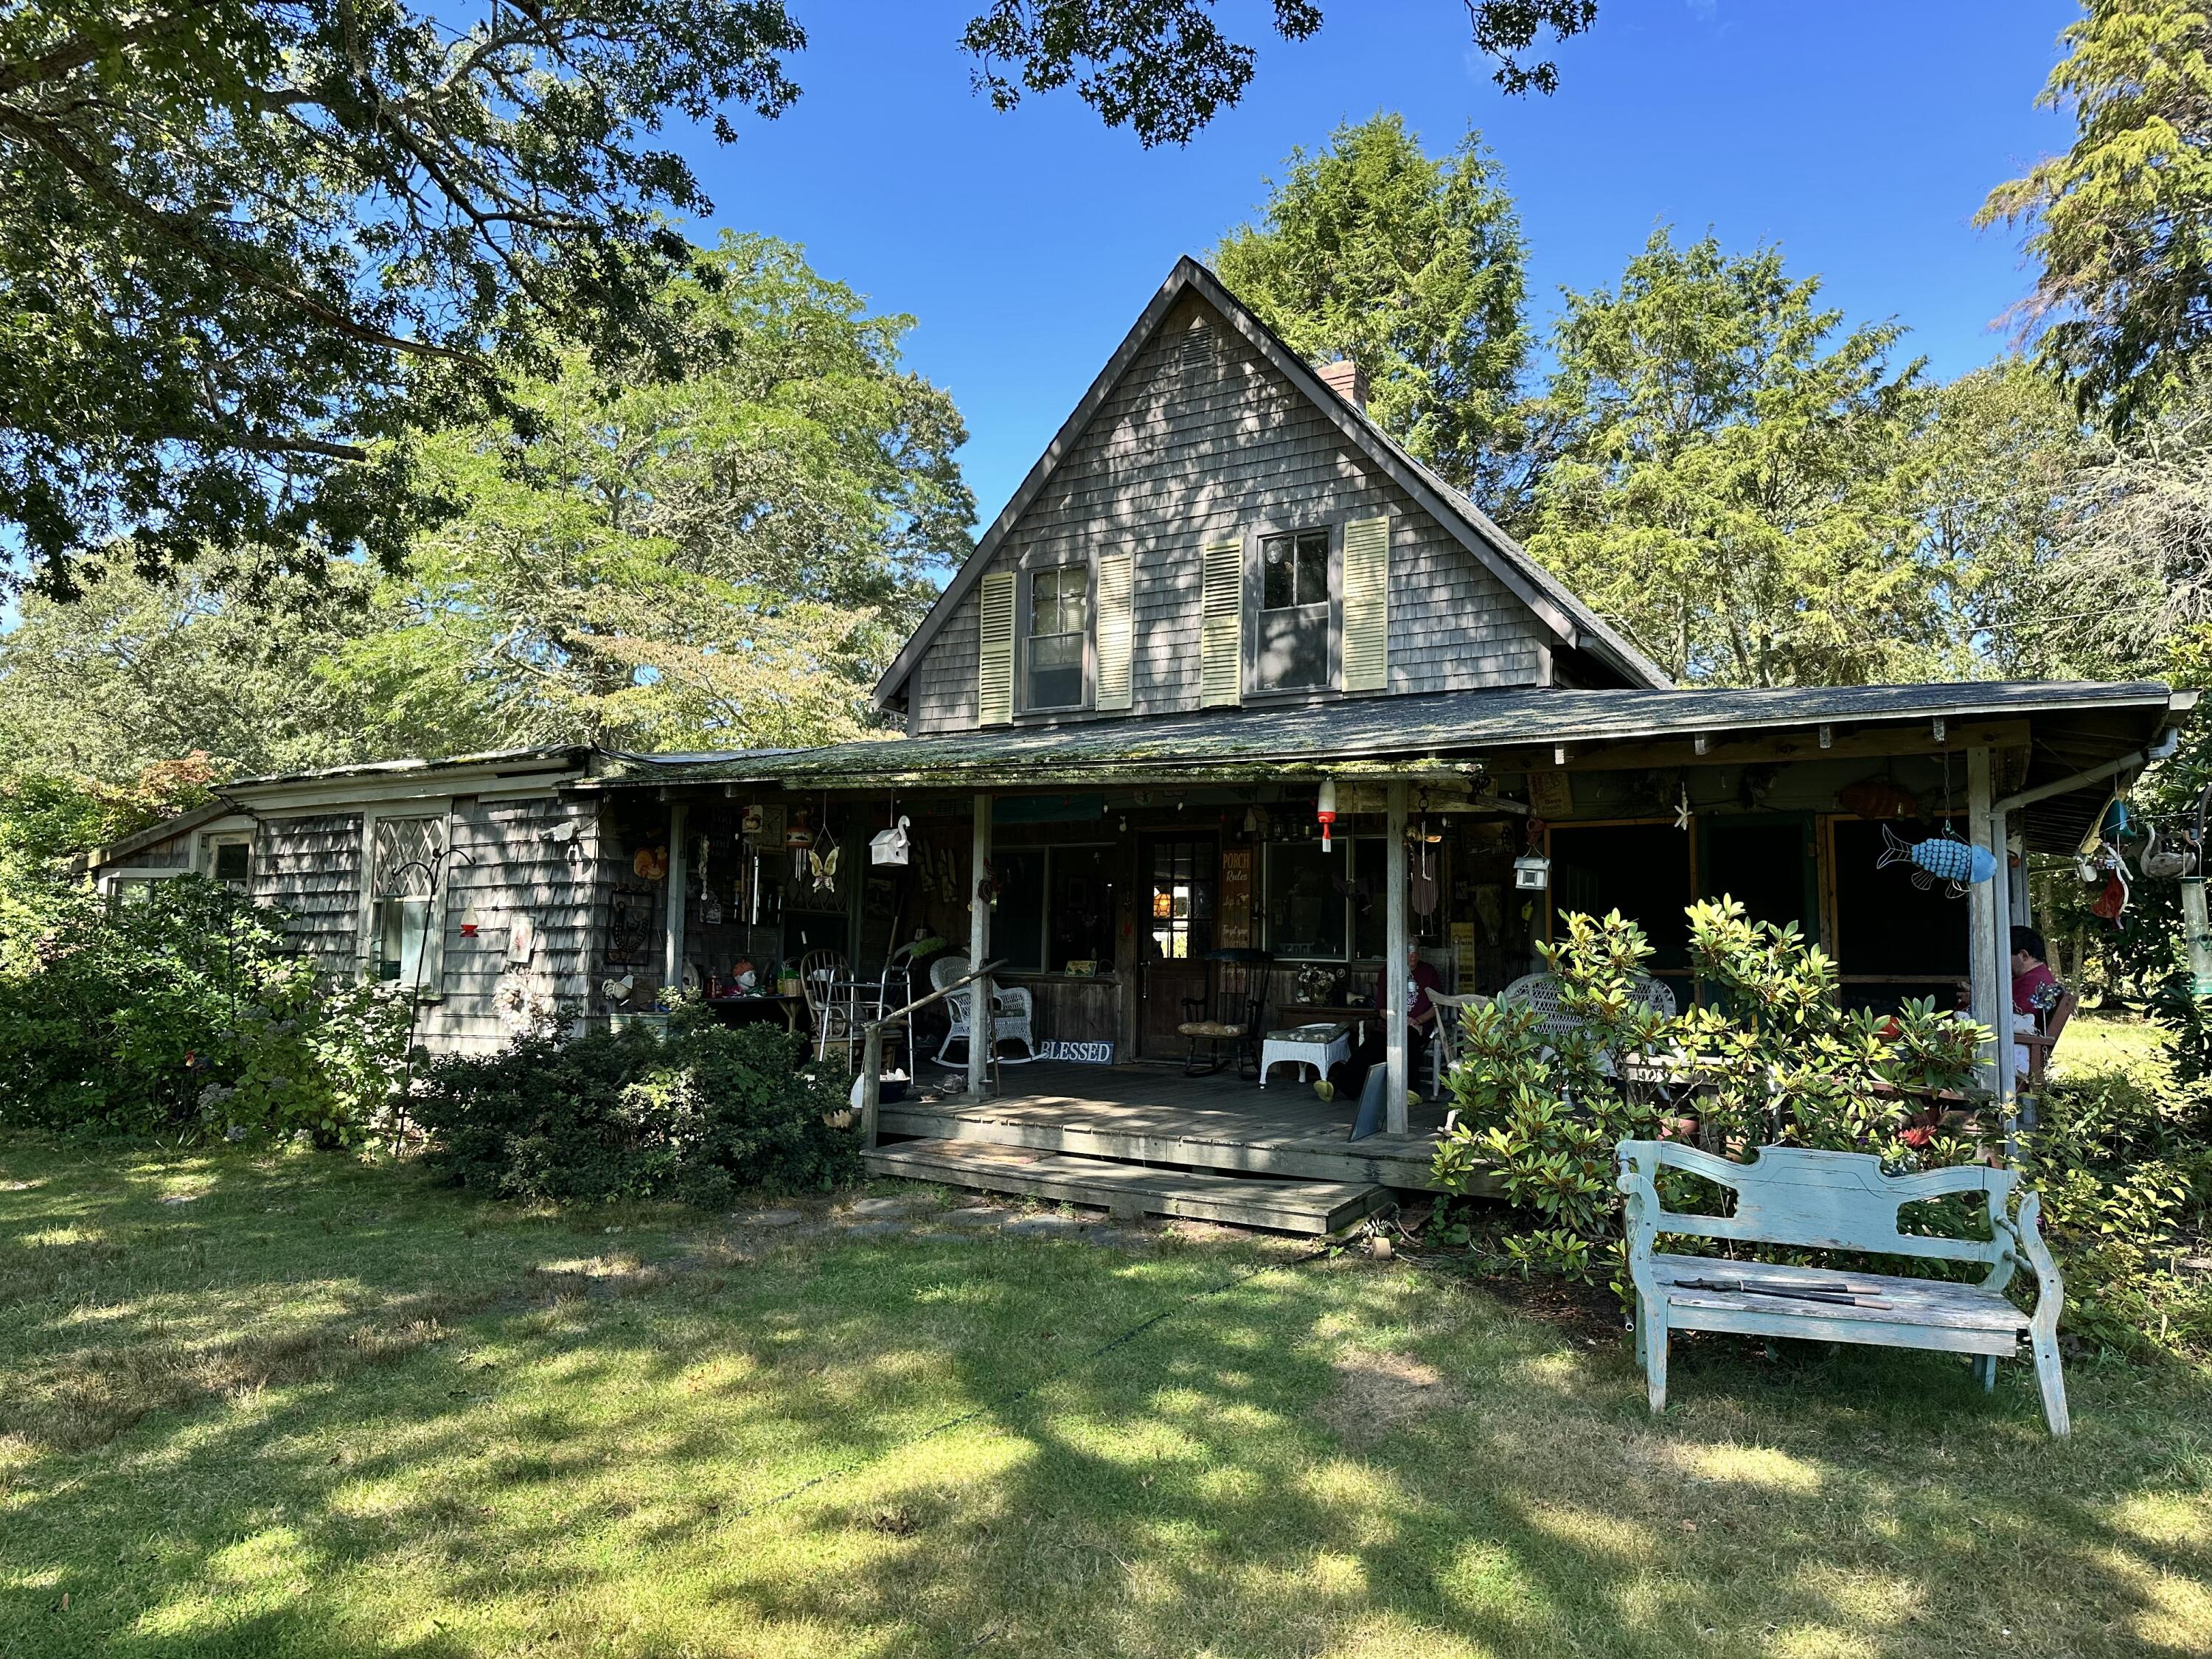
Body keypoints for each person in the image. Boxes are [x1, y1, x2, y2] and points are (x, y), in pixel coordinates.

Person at [1322, 947, 1442, 1104]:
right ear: (1399, 951)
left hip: (1418, 1026)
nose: (1413, 955)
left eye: (1415, 951)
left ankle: (1413, 1091)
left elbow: (1437, 1006)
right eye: (1408, 951)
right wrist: (1399, 1020)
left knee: (1409, 1040)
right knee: (1371, 1046)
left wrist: (1417, 1021)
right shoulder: (1388, 972)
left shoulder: (1428, 971)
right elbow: (1382, 1009)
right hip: (1392, 1026)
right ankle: (1336, 1086)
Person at [2011, 925, 2065, 1081]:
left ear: (2024, 955)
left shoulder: (2033, 981)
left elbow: (2016, 1017)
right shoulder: (2036, 976)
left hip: (2019, 1048)